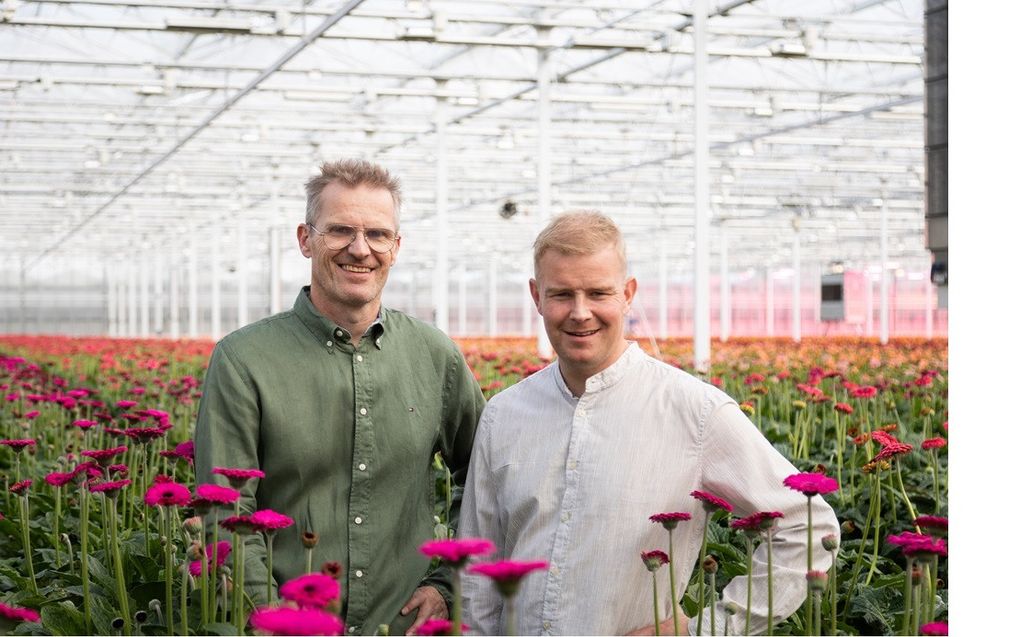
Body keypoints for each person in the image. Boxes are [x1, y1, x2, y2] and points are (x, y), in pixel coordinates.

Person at [459, 210, 839, 636]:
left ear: (627, 294)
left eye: (598, 293)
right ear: (536, 296)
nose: (580, 313)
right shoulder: (504, 415)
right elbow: (478, 566)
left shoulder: (695, 412)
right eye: (562, 294)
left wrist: (708, 630)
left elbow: (807, 525)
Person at [195, 159, 485, 635]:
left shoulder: (434, 355)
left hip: (404, 624)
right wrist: (274, 616)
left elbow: (483, 478)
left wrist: (447, 581)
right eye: (340, 231)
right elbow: (225, 509)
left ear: (396, 246)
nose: (360, 249)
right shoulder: (243, 359)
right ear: (305, 239)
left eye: (377, 234)